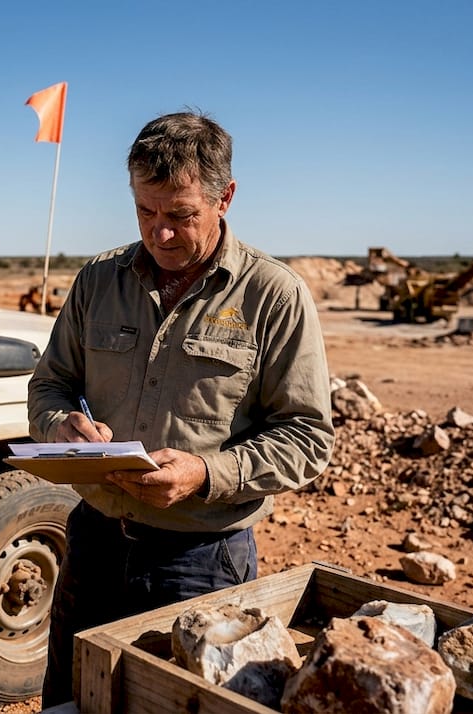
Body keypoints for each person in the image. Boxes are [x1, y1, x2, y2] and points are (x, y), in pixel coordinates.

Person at [28, 111, 334, 706]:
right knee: (72, 700)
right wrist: (61, 424)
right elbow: (51, 385)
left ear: (226, 199)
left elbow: (308, 437)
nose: (158, 234)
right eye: (145, 211)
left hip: (201, 561)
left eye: (179, 216)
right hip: (94, 542)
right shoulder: (98, 280)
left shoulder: (274, 296)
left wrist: (203, 474)